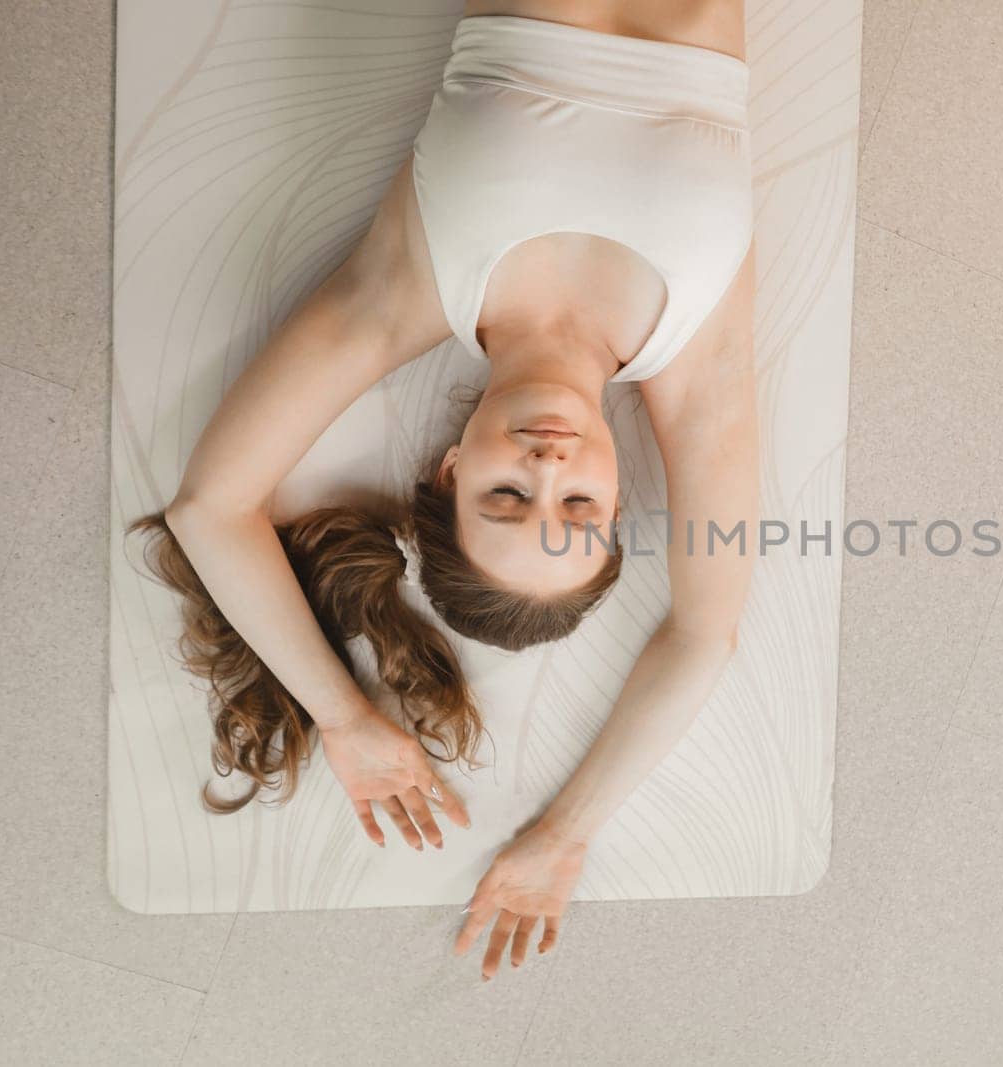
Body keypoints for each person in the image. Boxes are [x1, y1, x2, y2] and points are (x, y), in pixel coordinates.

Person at [129, 0, 758, 981]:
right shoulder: (695, 364)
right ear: (621, 484)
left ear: (449, 470)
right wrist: (564, 831)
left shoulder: (406, 293)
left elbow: (210, 508)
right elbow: (704, 632)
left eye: (505, 498)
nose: (548, 468)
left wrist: (345, 716)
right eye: (577, 509)